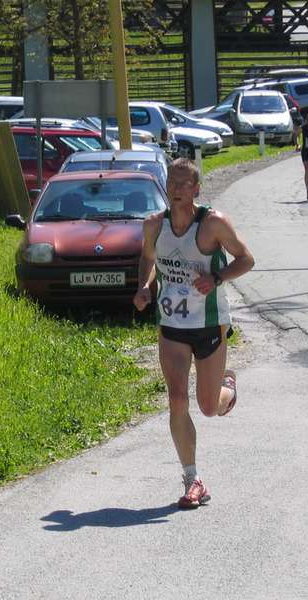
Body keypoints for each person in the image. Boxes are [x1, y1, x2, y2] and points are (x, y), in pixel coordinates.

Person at [132, 158, 255, 510]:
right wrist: (145, 287)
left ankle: (226, 387)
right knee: (176, 399)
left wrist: (216, 278)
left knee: (208, 407)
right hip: (172, 325)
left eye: (185, 183)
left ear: (197, 189)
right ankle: (192, 479)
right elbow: (148, 259)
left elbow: (246, 259)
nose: (177, 188)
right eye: (172, 181)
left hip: (209, 324)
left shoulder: (213, 224)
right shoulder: (154, 225)